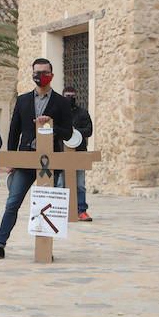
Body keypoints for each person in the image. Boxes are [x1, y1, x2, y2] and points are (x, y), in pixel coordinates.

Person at [0, 57, 74, 259]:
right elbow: (14, 131)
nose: (41, 77)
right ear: (32, 75)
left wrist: (51, 125)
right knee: (12, 203)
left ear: (51, 75)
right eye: (37, 73)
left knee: (48, 205)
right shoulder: (23, 100)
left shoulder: (61, 102)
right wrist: (11, 160)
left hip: (50, 162)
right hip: (26, 160)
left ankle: (46, 250)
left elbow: (69, 134)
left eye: (45, 73)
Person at [62, 85, 94, 221]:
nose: (70, 99)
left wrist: (76, 132)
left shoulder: (82, 113)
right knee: (61, 184)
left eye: (72, 96)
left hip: (79, 153)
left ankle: (82, 210)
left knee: (80, 184)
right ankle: (62, 211)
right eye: (67, 96)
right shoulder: (59, 113)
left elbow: (89, 130)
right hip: (62, 154)